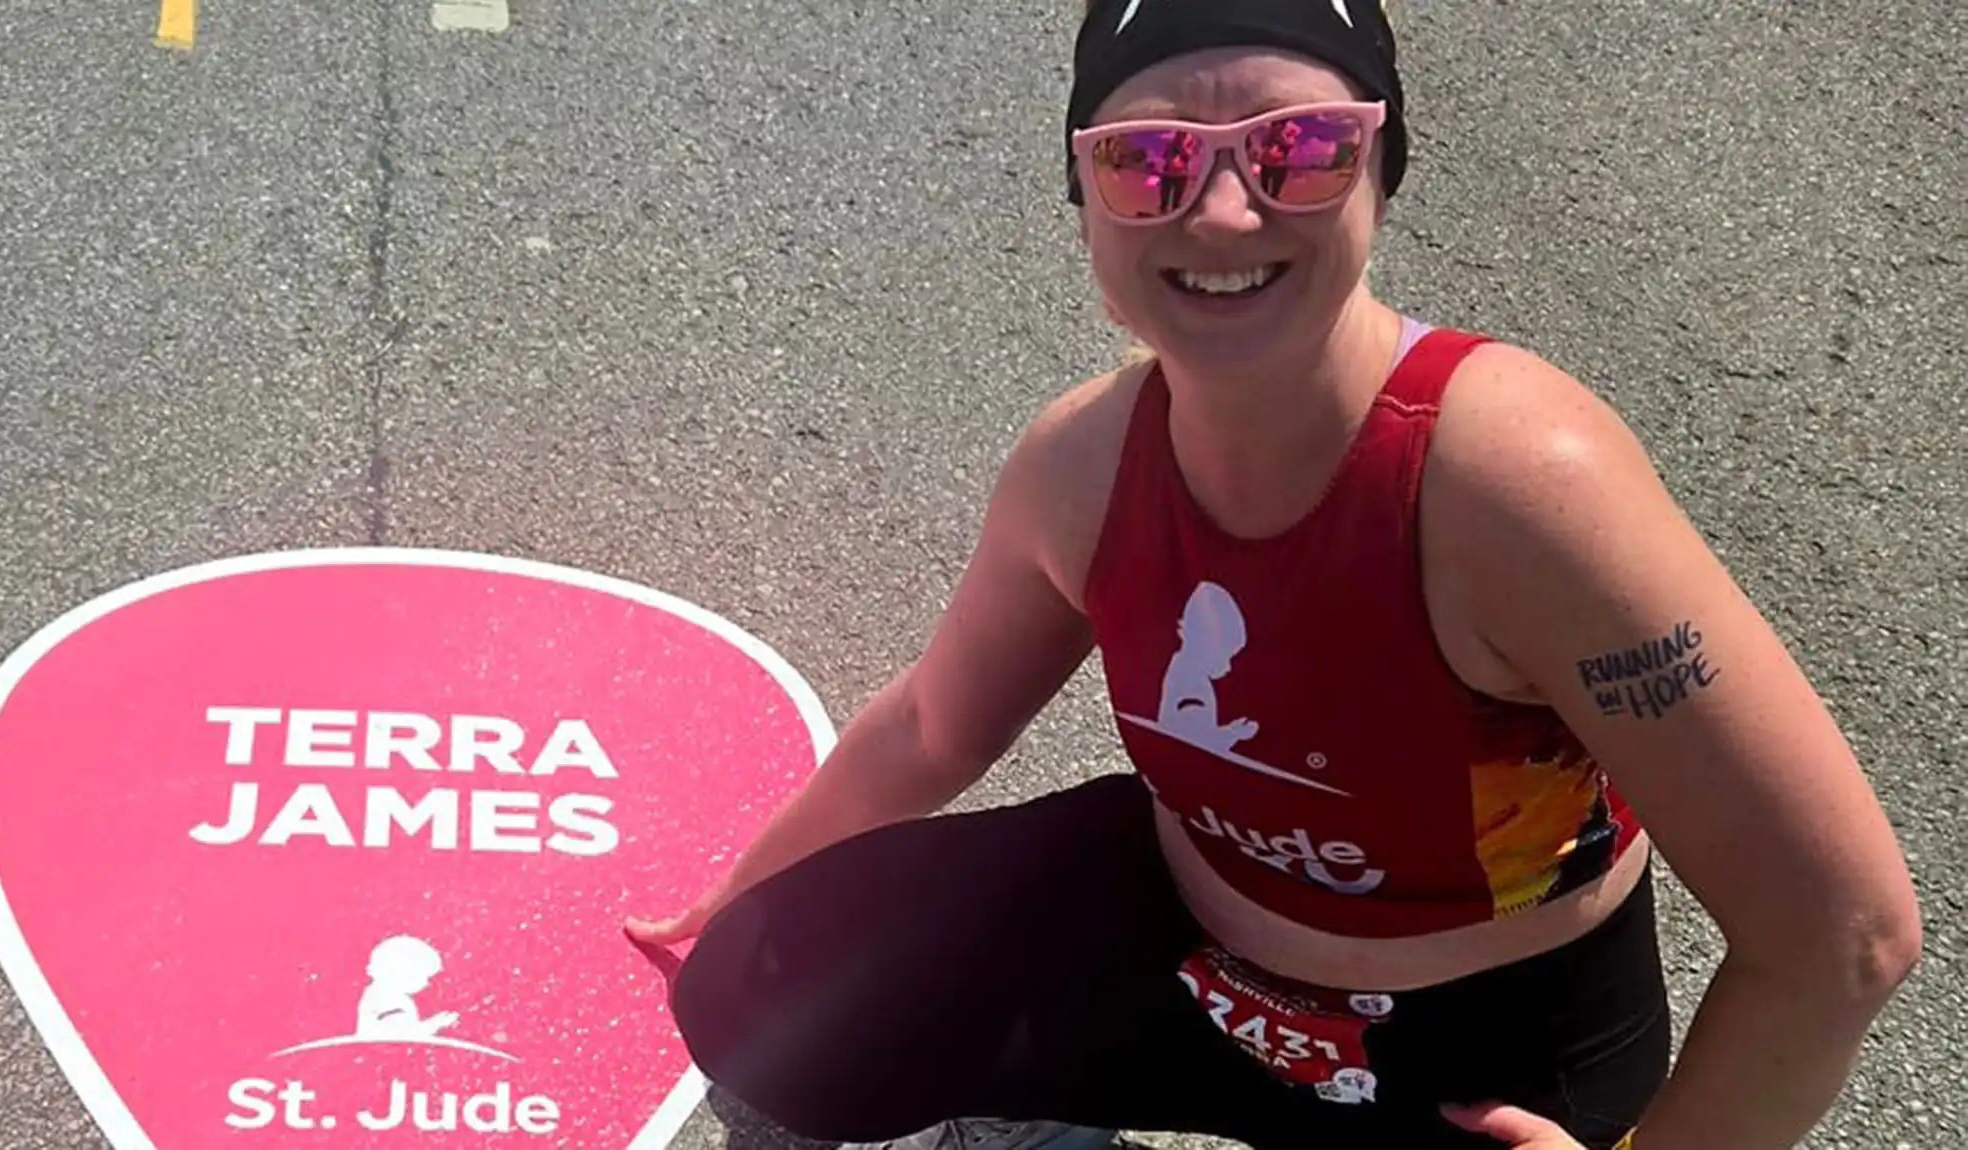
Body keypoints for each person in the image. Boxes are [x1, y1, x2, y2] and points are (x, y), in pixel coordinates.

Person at [625, 1, 1924, 1148]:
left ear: (1380, 170)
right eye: (1147, 163)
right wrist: (743, 883)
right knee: (759, 987)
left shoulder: (1516, 481)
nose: (1226, 209)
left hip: (1476, 1057)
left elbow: (1840, 936)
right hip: (1193, 958)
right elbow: (930, 723)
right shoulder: (1082, 462)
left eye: (1300, 150)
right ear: (1084, 203)